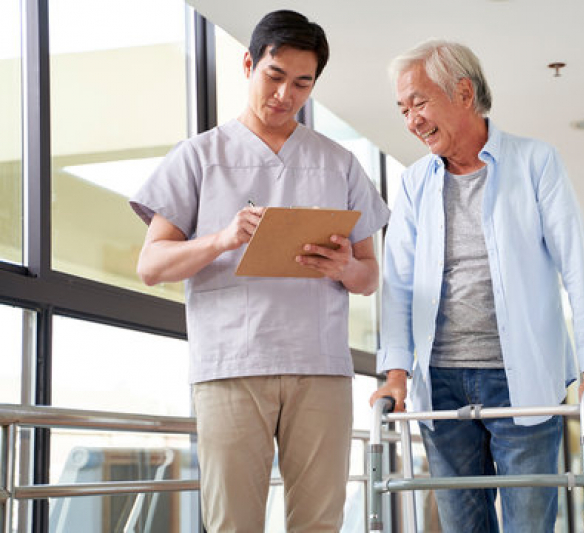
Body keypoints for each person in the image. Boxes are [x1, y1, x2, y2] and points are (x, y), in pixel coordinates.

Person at [131, 10, 389, 532]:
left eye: (302, 83)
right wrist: (223, 238)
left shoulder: (338, 163)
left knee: (319, 523)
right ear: (249, 64)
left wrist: (344, 267)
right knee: (233, 523)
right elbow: (150, 265)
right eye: (274, 76)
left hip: (319, 367)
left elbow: (369, 276)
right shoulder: (199, 157)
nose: (285, 94)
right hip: (230, 366)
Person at [370, 40, 584, 532]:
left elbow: (577, 264)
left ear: (464, 92)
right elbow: (399, 283)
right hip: (439, 383)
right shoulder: (415, 182)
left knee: (528, 524)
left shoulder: (535, 163)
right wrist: (396, 376)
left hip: (520, 378)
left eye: (419, 103)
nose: (412, 121)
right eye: (403, 110)